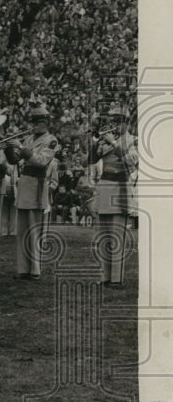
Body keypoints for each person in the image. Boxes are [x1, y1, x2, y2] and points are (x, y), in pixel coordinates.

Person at [5, 104, 59, 281]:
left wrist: (20, 147)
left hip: (37, 186)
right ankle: (23, 269)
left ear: (45, 123)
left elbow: (41, 161)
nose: (34, 125)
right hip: (25, 185)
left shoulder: (51, 140)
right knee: (22, 230)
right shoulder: (28, 139)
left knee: (34, 230)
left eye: (37, 122)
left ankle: (35, 270)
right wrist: (8, 148)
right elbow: (14, 161)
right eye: (33, 122)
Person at [89, 104, 137, 285]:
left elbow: (132, 162)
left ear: (126, 123)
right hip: (105, 187)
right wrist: (95, 143)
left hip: (120, 189)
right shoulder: (106, 140)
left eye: (118, 121)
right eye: (113, 121)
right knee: (104, 236)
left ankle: (116, 278)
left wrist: (113, 143)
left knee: (117, 236)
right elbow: (92, 160)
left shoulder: (133, 140)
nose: (115, 125)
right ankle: (105, 276)